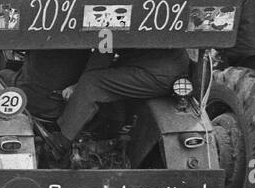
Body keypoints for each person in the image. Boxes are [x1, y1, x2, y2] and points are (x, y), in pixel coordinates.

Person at [47, 48, 191, 158]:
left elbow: (103, 52)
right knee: (109, 75)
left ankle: (62, 142)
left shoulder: (113, 19)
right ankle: (113, 127)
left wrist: (78, 86)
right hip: (170, 64)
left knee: (91, 83)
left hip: (156, 71)